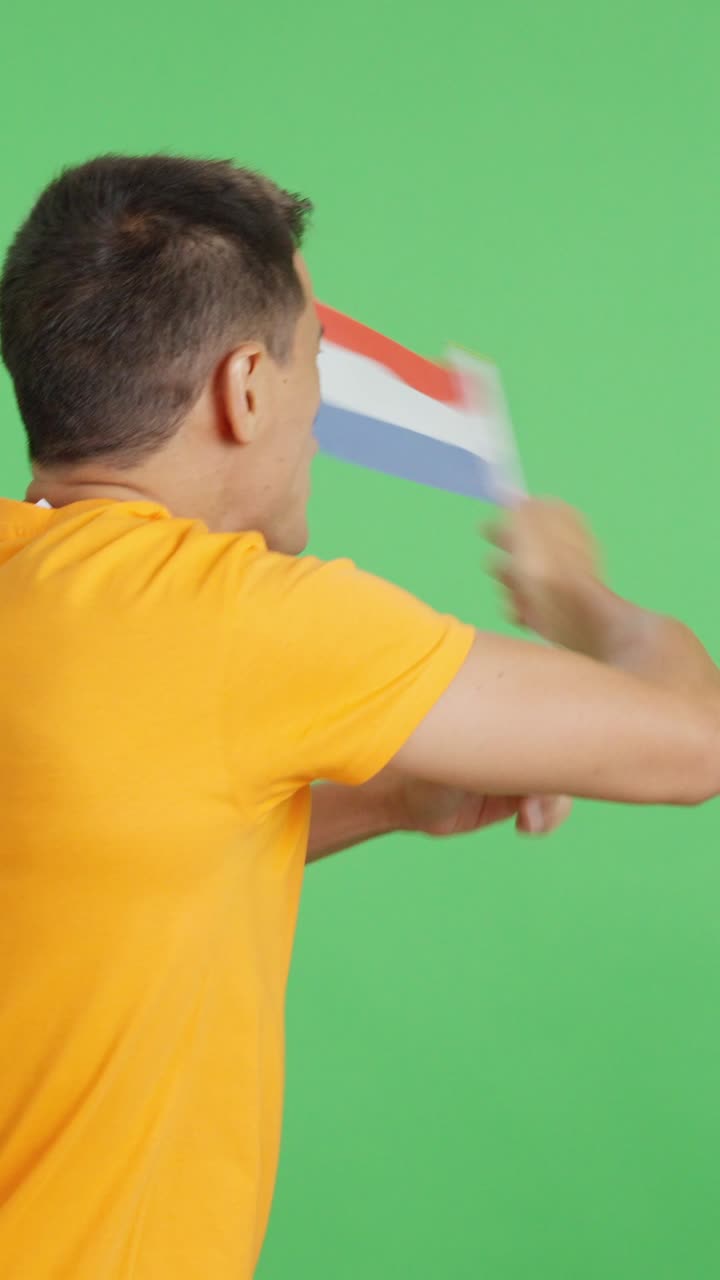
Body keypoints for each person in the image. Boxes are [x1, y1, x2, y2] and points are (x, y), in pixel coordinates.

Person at [0, 154, 717, 1280]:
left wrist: (387, 795)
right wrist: (580, 595)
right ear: (247, 387)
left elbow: (91, 846)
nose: (318, 411)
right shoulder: (238, 619)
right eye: (312, 363)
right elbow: (693, 741)